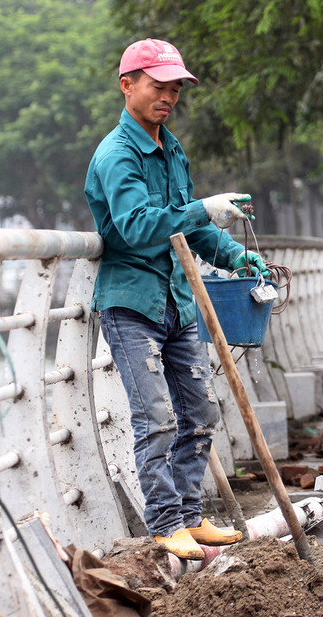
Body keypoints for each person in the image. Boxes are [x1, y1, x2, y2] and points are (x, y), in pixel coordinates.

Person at [85, 38, 269, 560]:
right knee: (157, 417)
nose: (168, 97)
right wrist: (205, 210)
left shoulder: (172, 147)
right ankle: (166, 524)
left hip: (177, 299)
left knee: (199, 411)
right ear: (127, 85)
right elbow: (140, 228)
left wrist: (238, 256)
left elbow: (191, 222)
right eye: (157, 87)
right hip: (131, 303)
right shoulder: (117, 155)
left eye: (174, 90)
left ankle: (191, 516)